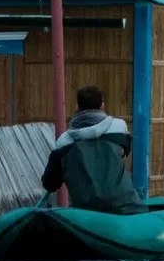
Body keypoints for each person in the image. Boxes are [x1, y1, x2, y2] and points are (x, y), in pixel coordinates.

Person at [40, 85, 147, 215]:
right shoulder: (119, 129)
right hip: (125, 206)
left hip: (86, 214)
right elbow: (125, 153)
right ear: (102, 106)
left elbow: (50, 184)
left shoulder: (64, 142)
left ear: (77, 107)